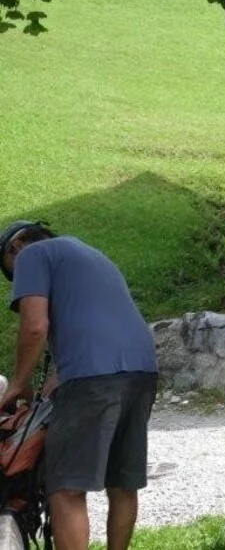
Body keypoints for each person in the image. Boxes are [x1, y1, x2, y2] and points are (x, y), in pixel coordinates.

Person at [0, 220, 159, 550]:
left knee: (66, 488)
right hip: (142, 370)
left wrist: (18, 383)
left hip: (93, 377)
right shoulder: (90, 255)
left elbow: (35, 326)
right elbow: (90, 329)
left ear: (15, 248)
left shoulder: (29, 255)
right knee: (122, 483)